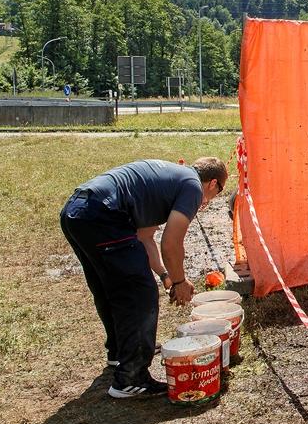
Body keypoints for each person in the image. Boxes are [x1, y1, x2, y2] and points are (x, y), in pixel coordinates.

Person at [60, 157, 228, 398]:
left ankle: (120, 352)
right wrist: (180, 282)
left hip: (78, 211)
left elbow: (145, 237)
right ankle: (131, 377)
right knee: (139, 293)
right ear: (213, 184)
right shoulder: (192, 187)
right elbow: (171, 243)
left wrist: (165, 276)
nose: (208, 203)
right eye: (217, 194)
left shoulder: (173, 179)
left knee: (111, 288)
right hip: (103, 215)